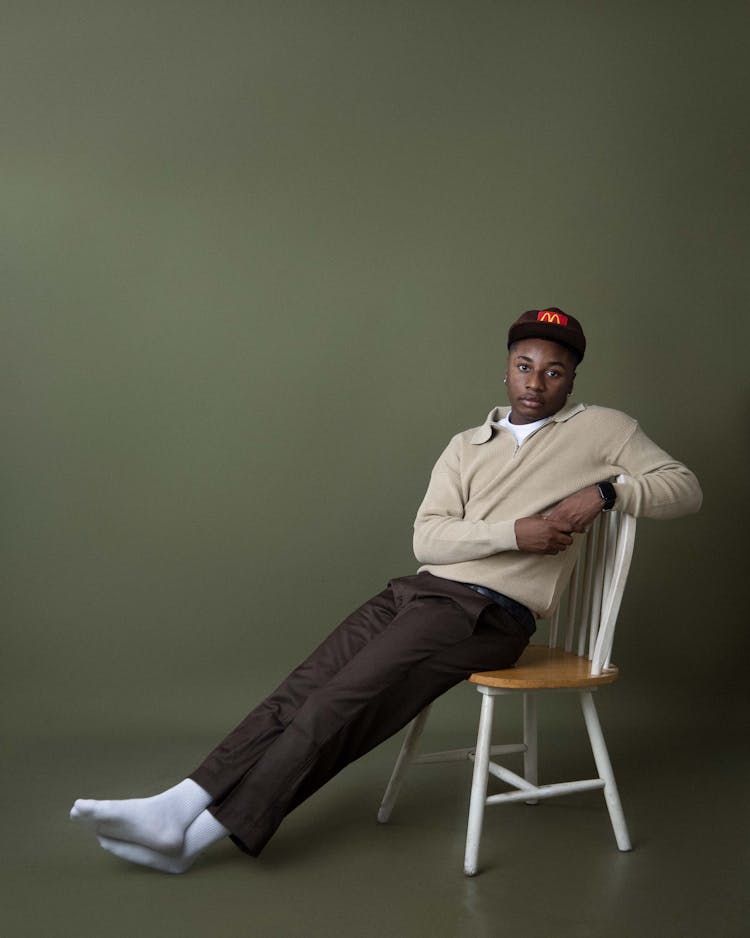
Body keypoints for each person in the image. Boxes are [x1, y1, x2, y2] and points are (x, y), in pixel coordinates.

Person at [70, 308, 702, 873]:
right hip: (417, 593)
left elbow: (684, 487)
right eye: (524, 365)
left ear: (572, 380)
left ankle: (198, 837)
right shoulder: (465, 447)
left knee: (336, 704)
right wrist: (518, 531)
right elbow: (428, 540)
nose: (537, 383)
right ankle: (177, 803)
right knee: (299, 691)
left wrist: (607, 491)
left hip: (490, 615)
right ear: (506, 370)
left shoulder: (603, 431)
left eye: (555, 372)